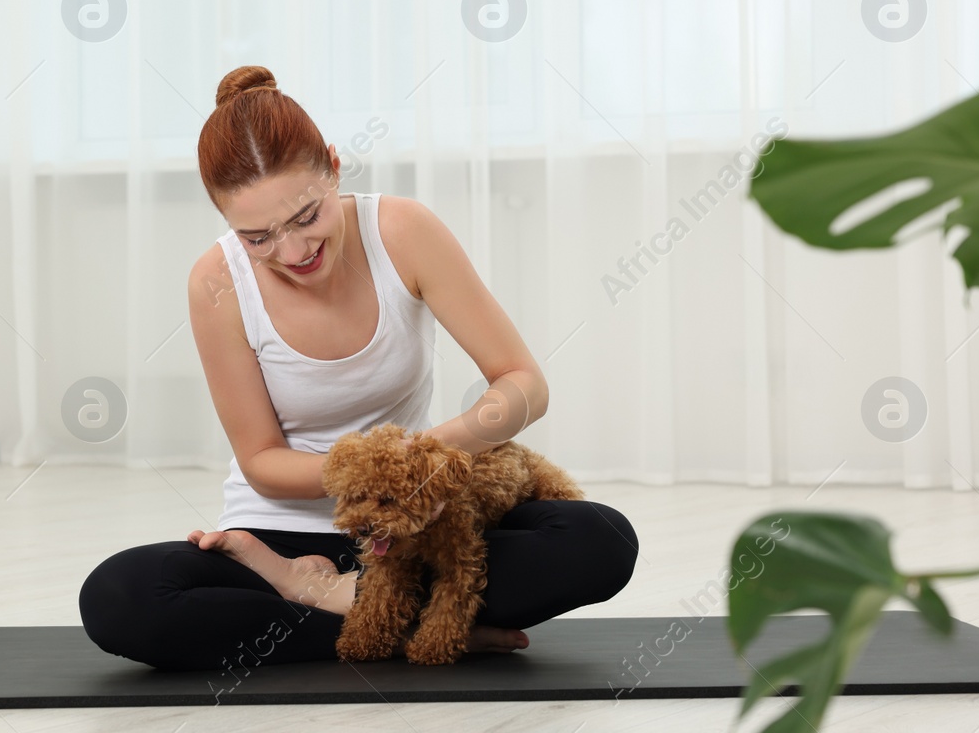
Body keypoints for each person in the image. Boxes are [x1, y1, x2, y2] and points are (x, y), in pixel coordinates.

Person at [78, 64, 638, 675]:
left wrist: (415, 463)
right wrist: (350, 495)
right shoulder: (216, 283)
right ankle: (392, 618)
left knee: (600, 540)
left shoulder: (403, 232)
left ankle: (359, 608)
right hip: (284, 542)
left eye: (306, 217)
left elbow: (522, 385)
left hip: (415, 529)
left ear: (334, 167)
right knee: (119, 598)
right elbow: (263, 462)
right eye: (258, 238)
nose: (293, 253)